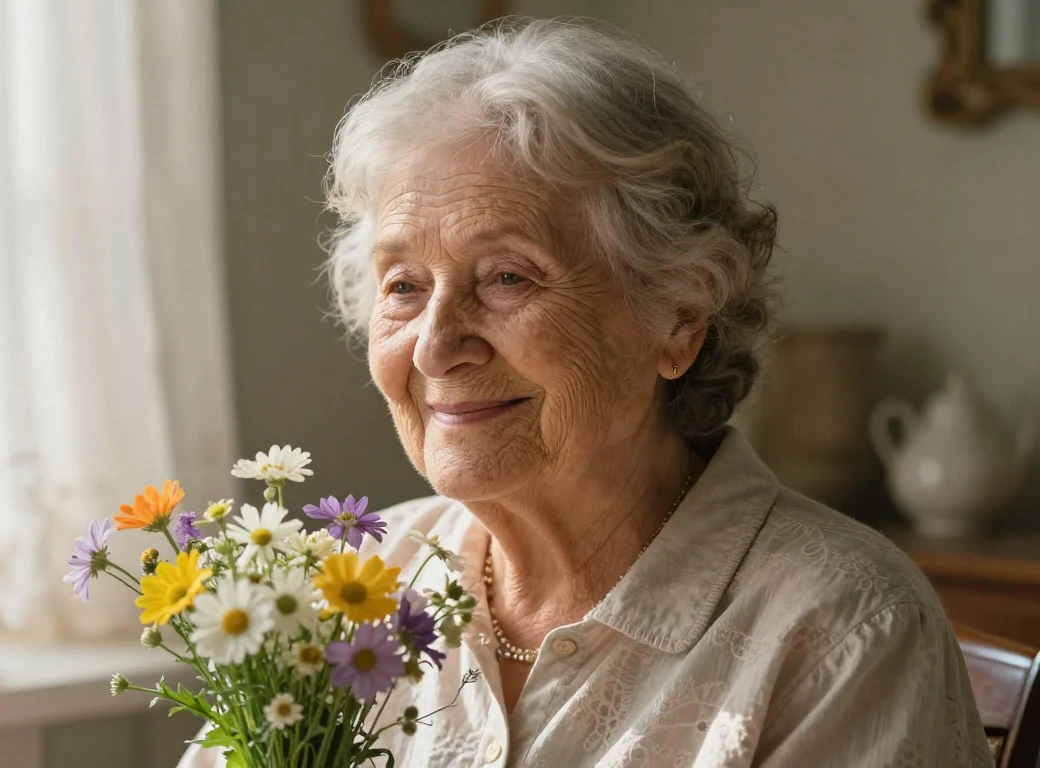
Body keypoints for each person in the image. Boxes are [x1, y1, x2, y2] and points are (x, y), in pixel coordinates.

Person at [179, 18, 991, 766]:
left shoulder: (843, 629)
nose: (434, 345)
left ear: (678, 317)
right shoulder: (344, 589)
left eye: (507, 277)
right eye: (404, 286)